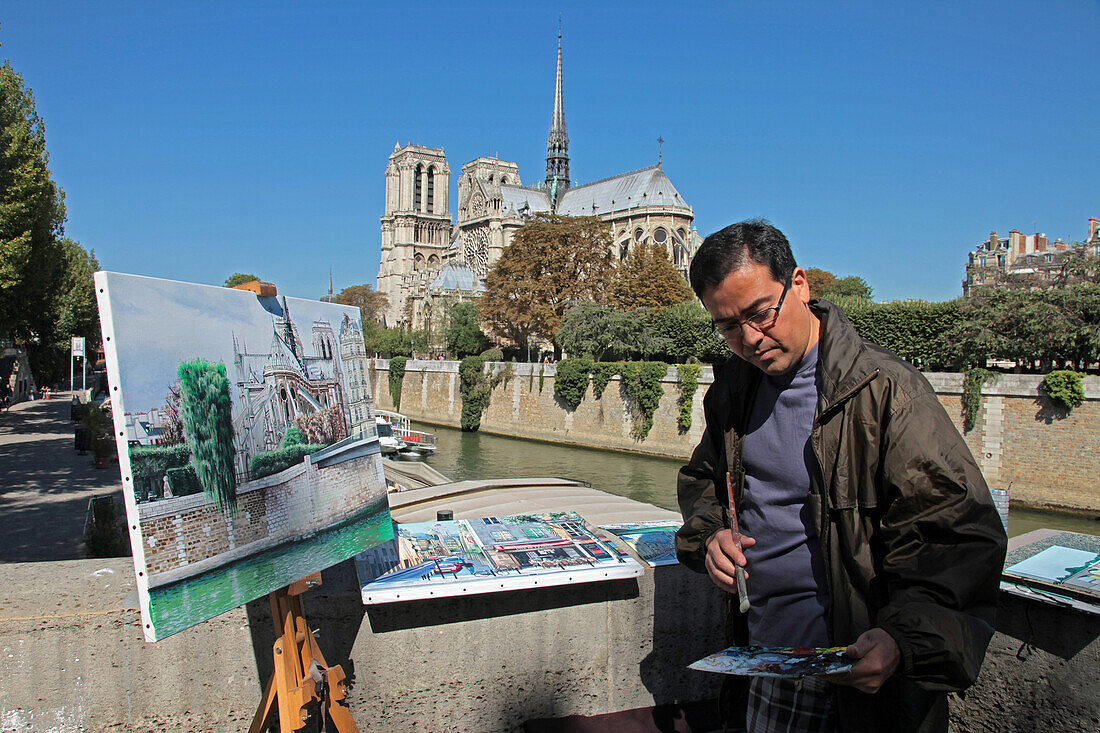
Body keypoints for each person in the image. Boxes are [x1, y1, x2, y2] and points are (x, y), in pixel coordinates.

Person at [675, 221, 1007, 733]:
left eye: (760, 313)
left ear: (800, 285)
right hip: (763, 663)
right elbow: (704, 481)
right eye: (728, 326)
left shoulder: (886, 390)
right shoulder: (734, 391)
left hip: (857, 673)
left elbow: (957, 535)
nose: (750, 338)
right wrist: (711, 535)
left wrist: (903, 640)